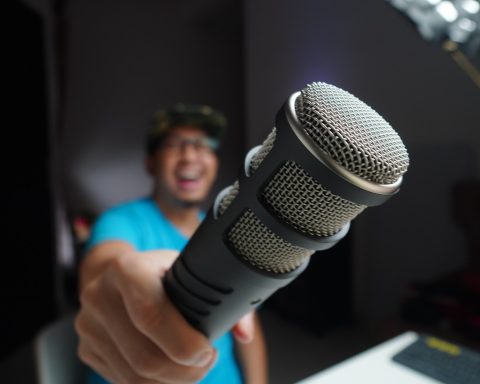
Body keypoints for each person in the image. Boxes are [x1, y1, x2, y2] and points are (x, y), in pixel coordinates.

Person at [75, 104, 268, 384]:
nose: (189, 156)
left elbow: (249, 329)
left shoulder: (230, 232)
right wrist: (113, 282)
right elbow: (102, 268)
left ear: (214, 163)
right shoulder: (121, 221)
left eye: (203, 146)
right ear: (151, 163)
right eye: (173, 145)